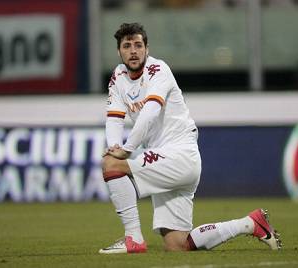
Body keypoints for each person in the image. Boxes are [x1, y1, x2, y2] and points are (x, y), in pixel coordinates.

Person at [100, 22, 282, 254]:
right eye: (127, 46)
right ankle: (251, 223)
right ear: (119, 51)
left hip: (179, 155)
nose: (133, 50)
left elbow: (150, 112)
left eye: (138, 45)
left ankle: (133, 238)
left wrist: (126, 149)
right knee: (177, 244)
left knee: (111, 164)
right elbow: (114, 117)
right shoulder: (118, 76)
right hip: (162, 159)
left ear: (147, 48)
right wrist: (114, 145)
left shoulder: (158, 70)